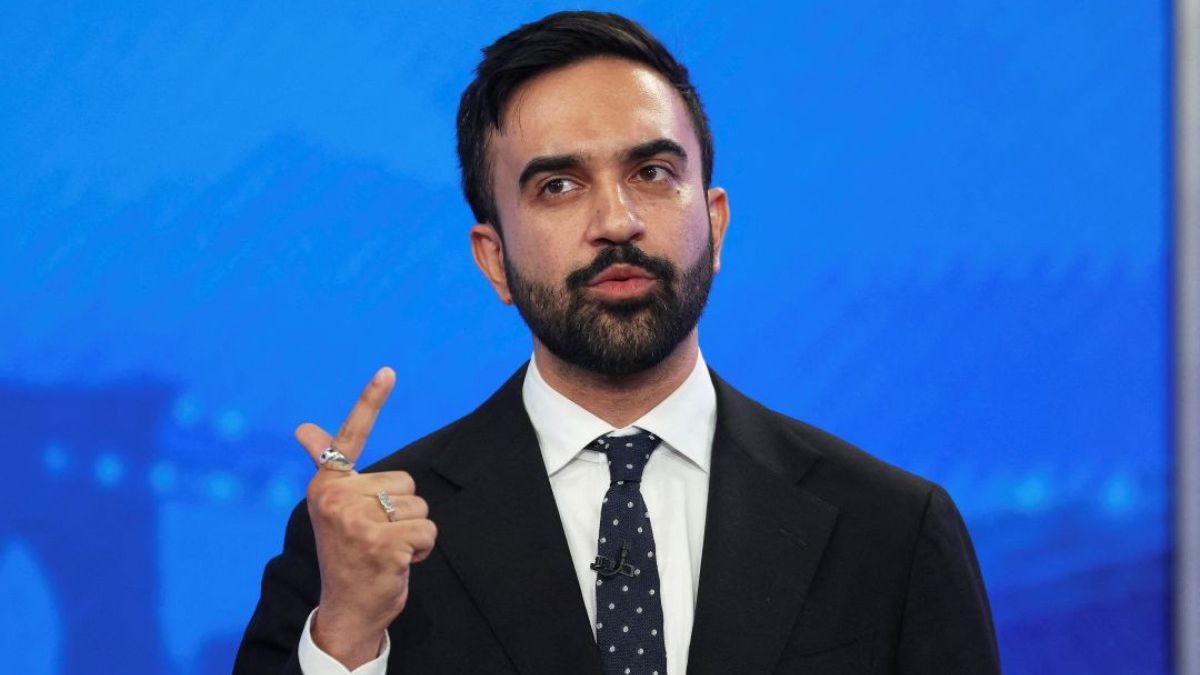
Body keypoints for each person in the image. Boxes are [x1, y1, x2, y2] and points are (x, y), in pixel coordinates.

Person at [235, 10, 1000, 675]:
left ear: (716, 223)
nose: (617, 221)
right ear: (494, 260)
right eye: (558, 186)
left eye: (653, 172)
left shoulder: (893, 530)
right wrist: (348, 634)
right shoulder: (357, 544)